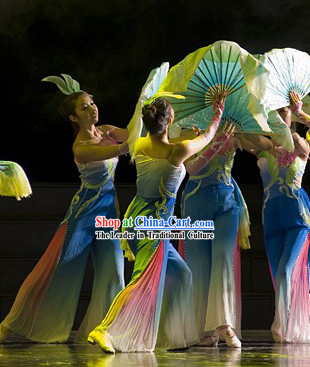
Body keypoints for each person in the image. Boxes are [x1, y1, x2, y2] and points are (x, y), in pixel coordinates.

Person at [87, 91, 231, 353]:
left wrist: (193, 138)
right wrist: (217, 111)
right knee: (142, 278)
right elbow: (208, 136)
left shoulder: (141, 145)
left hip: (135, 220)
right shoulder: (179, 150)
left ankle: (168, 335)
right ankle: (104, 329)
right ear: (171, 118)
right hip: (153, 225)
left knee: (182, 275)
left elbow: (182, 153)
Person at [0, 90, 128, 343]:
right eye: (84, 107)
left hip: (108, 215)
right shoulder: (80, 148)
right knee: (59, 271)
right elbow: (125, 148)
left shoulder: (107, 131)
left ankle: (107, 331)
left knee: (115, 271)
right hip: (84, 213)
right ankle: (17, 324)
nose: (92, 108)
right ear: (73, 117)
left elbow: (136, 134)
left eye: (92, 103)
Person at [179, 126, 272, 348]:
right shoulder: (187, 131)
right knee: (199, 264)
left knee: (223, 259)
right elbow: (191, 168)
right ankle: (204, 329)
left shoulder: (233, 130)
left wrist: (241, 134)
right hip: (196, 200)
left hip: (227, 202)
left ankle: (224, 323)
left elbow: (267, 145)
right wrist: (214, 141)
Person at [246, 92, 310, 342]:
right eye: (276, 111)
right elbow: (242, 138)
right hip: (271, 219)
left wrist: (300, 114)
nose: (280, 115)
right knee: (278, 274)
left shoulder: (300, 144)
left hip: (298, 220)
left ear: (292, 114)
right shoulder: (264, 147)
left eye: (284, 111)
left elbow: (304, 145)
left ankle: (282, 327)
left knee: (286, 272)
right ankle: (290, 322)